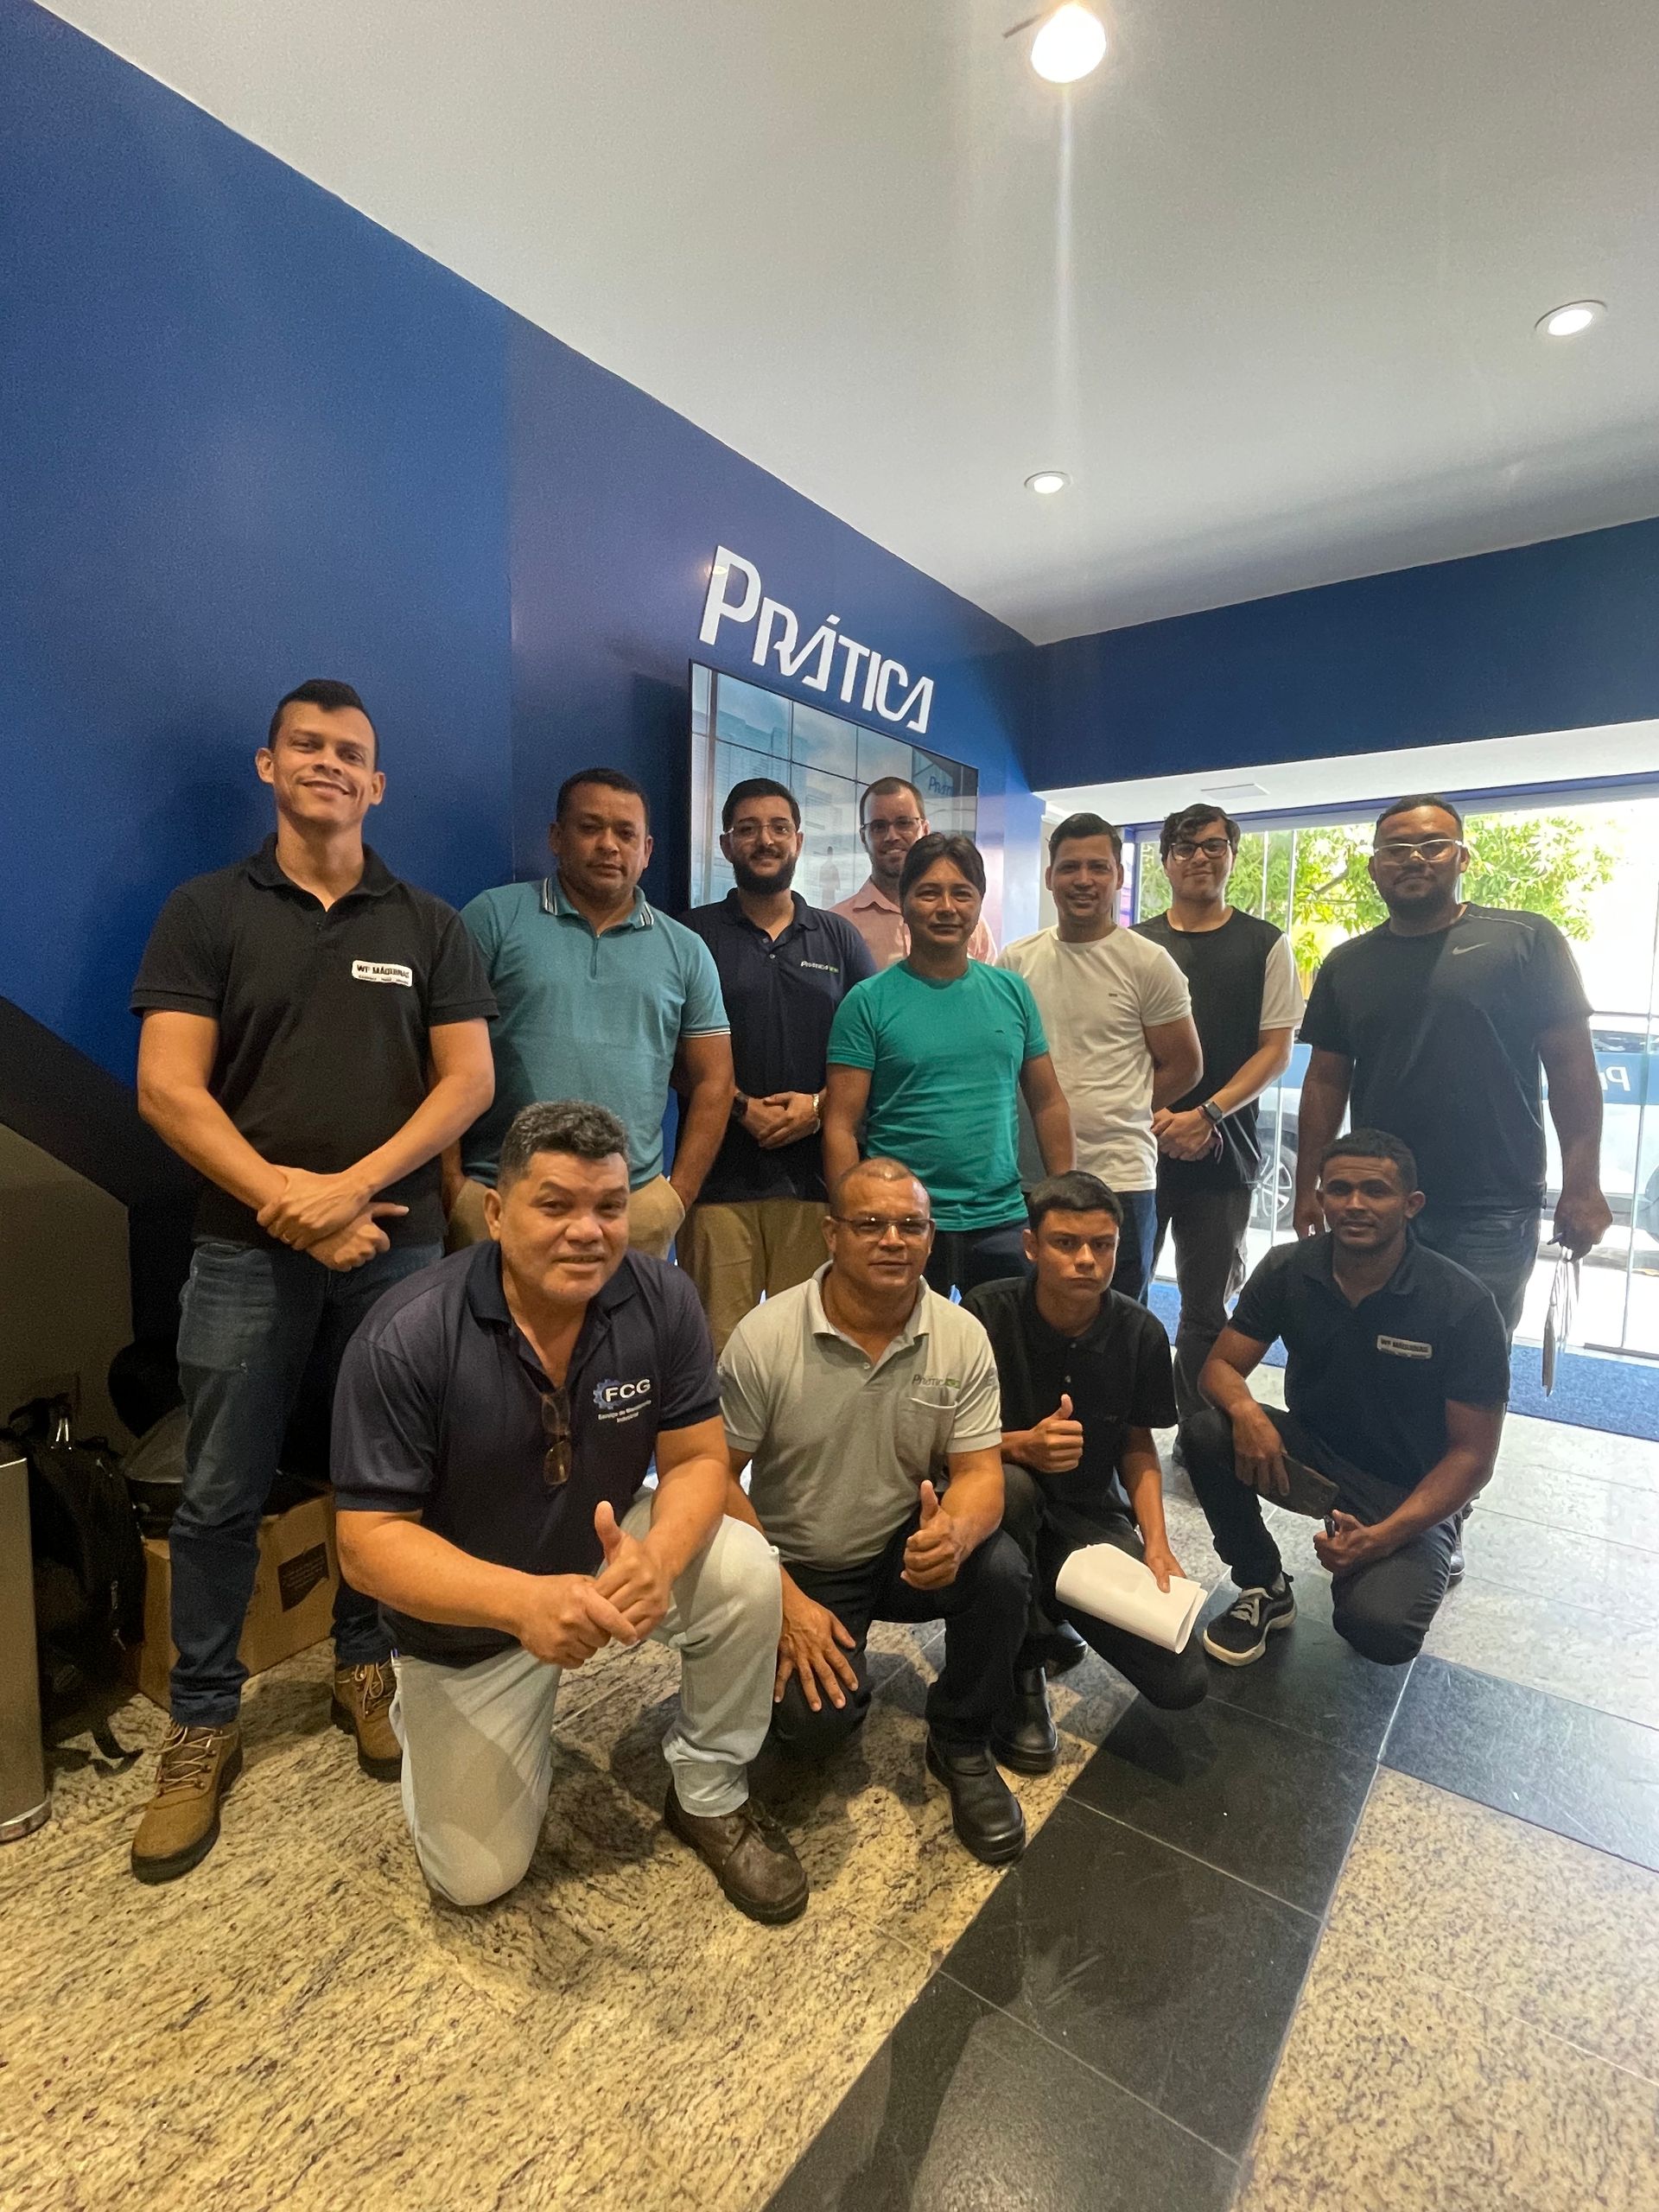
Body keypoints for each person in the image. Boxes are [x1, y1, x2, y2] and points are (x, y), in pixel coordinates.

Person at [126, 678, 498, 1883]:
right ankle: (202, 1720)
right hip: (244, 1249)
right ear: (269, 764)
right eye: (307, 745)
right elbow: (167, 1088)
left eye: (350, 751)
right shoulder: (205, 910)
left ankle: (363, 1661)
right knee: (219, 1489)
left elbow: (469, 1083)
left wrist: (352, 1191)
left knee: (385, 1476)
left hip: (398, 1247)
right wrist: (287, 1203)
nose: (328, 763)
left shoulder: (429, 925)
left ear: (377, 783)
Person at [332, 1100, 807, 1923]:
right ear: (495, 1212)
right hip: (473, 1623)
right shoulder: (408, 1335)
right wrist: (523, 1604)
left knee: (741, 1567)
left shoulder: (662, 1298)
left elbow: (698, 1461)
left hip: (600, 1556)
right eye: (555, 1205)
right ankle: (448, 1719)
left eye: (609, 1206)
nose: (587, 1232)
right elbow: (367, 1546)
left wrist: (657, 1560)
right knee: (474, 1881)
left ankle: (708, 1790)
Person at [718, 1159, 1032, 1865]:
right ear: (831, 1234)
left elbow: (981, 1474)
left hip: (901, 1547)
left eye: (910, 1226)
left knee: (1000, 1568)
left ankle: (962, 1741)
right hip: (801, 1565)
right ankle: (805, 1675)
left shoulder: (959, 1334)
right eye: (870, 1224)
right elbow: (713, 1477)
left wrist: (956, 1533)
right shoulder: (766, 1336)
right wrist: (780, 1595)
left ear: (930, 1238)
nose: (893, 1240)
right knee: (813, 1731)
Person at [1184, 1129, 1509, 1669]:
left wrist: (1379, 1540)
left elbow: (1473, 1457)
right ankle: (1263, 1585)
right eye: (1339, 1189)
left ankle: (1437, 1534)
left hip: (1407, 1485)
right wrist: (1245, 1411)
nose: (1355, 1204)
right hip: (1315, 1455)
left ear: (1411, 1205)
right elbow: (1217, 1369)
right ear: (1320, 1198)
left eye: (1375, 1190)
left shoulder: (1462, 1304)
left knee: (1379, 1629)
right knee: (1206, 1432)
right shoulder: (1288, 1269)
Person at [1294, 794, 1611, 1338]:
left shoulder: (1525, 940)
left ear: (1462, 858)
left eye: (1433, 845)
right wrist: (1309, 1185)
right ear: (1374, 868)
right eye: (1396, 849)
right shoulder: (1347, 964)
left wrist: (1583, 1185)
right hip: (1378, 1199)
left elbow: (1572, 1071)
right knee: (1373, 1349)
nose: (1414, 858)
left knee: (1473, 1360)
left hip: (1492, 1202)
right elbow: (1325, 1080)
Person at [965, 1172, 1208, 1770]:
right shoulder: (984, 1314)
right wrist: (1022, 1445)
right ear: (1031, 1246)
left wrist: (1157, 1543)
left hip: (1087, 1516)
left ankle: (1053, 1604)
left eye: (1102, 1245)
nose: (1086, 1260)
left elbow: (1138, 1446)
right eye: (1066, 1243)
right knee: (1014, 1488)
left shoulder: (1140, 1332)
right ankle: (1023, 1665)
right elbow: (939, 1442)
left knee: (1180, 1680)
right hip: (996, 1507)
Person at [450, 767, 733, 1261]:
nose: (608, 845)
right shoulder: (493, 917)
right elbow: (440, 1060)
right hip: (504, 1198)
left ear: (647, 850)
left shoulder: (686, 950)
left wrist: (676, 1199)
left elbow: (715, 1081)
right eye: (589, 828)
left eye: (626, 833)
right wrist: (453, 1186)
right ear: (556, 837)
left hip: (630, 1206)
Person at [823, 835, 1073, 1298]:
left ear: (978, 903)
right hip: (900, 1222)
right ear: (903, 902)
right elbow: (840, 1124)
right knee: (898, 1341)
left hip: (1000, 1219)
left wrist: (1063, 1202)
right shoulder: (868, 1002)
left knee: (1005, 1343)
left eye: (962, 893)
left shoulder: (1012, 992)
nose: (946, 908)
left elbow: (1048, 1103)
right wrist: (853, 1218)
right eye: (928, 893)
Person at [677, 779, 876, 1352]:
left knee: (810, 1354)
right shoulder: (691, 936)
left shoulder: (839, 938)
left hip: (816, 1186)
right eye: (747, 829)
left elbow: (875, 1052)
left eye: (778, 828)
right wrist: (739, 1107)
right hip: (717, 1184)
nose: (764, 840)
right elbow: (667, 1053)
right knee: (717, 1354)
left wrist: (817, 1108)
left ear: (799, 841)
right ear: (725, 845)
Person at [1134, 804, 1302, 1414]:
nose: (1199, 858)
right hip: (1136, 1151)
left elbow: (1275, 1052)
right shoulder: (1135, 944)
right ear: (1165, 862)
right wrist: (1155, 1118)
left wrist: (1206, 1115)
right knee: (1122, 1297)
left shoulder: (1266, 944)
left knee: (1205, 1311)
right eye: (1184, 848)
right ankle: (1122, 1431)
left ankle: (1200, 1440)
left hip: (1224, 1155)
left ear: (1232, 855)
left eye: (1212, 846)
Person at [999, 814, 1201, 1303]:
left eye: (1098, 867)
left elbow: (1185, 1065)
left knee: (1118, 1321)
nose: (1083, 880)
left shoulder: (1148, 963)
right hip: (1031, 1177)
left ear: (1119, 876)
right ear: (1049, 877)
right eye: (1070, 867)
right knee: (1029, 1319)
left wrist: (1123, 1104)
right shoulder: (1015, 961)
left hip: (1120, 1176)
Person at [834, 776, 998, 968]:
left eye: (904, 823)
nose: (892, 836)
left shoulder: (969, 924)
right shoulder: (838, 925)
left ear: (925, 830)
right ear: (863, 837)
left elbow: (987, 983)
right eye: (879, 827)